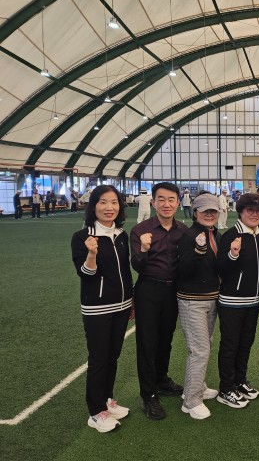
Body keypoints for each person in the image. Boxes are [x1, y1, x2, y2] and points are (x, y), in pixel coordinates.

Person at [71, 185, 133, 433]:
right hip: (97, 308)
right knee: (98, 359)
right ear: (93, 206)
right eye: (103, 202)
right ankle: (96, 412)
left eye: (114, 202)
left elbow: (125, 271)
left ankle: (107, 400)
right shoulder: (82, 237)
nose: (109, 207)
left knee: (112, 356)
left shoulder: (121, 235)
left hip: (122, 306)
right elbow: (86, 274)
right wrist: (91, 254)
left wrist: (130, 299)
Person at [130, 182, 188, 420]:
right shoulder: (140, 230)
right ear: (153, 202)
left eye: (171, 199)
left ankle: (161, 380)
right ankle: (149, 395)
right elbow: (137, 265)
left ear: (178, 202)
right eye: (161, 199)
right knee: (147, 343)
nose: (166, 204)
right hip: (149, 290)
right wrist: (144, 249)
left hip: (173, 291)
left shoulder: (183, 230)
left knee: (166, 339)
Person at [216, 193, 259, 408]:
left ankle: (239, 381)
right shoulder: (231, 235)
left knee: (245, 343)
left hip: (253, 301)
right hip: (232, 302)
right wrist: (233, 254)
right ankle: (226, 388)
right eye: (250, 210)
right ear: (241, 212)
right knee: (230, 345)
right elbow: (220, 268)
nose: (255, 214)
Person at [177, 193, 221, 420]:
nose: (209, 214)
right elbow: (183, 270)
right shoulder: (189, 236)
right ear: (195, 213)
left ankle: (197, 387)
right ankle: (191, 400)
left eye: (213, 210)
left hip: (211, 298)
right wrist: (198, 251)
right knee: (200, 349)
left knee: (205, 345)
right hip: (192, 300)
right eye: (205, 211)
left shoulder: (215, 234)